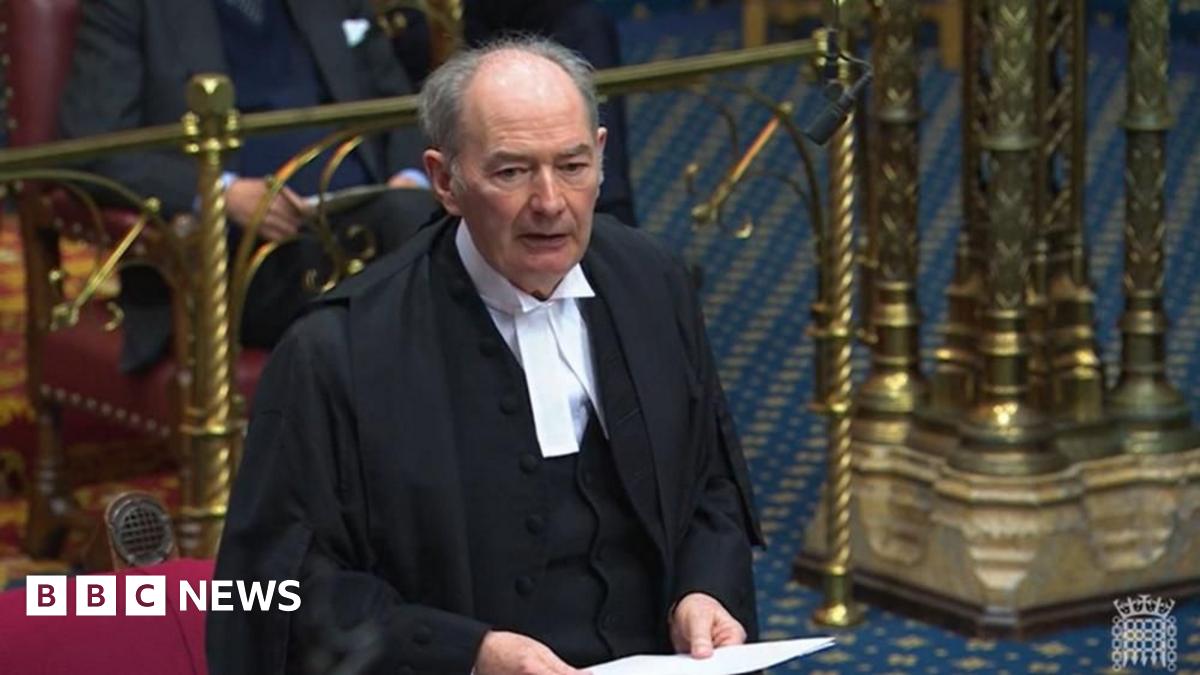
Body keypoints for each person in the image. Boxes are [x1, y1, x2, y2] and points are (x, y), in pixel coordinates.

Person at [207, 36, 762, 675]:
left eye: (573, 166)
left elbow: (710, 487)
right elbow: (274, 594)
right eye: (512, 171)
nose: (550, 202)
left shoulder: (652, 283)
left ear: (602, 156)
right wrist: (467, 654)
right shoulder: (339, 351)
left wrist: (704, 590)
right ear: (445, 180)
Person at [58, 0, 438, 371]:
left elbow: (400, 106)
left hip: (370, 215)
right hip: (239, 256)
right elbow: (93, 146)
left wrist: (409, 176)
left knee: (438, 226)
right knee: (420, 246)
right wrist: (219, 193)